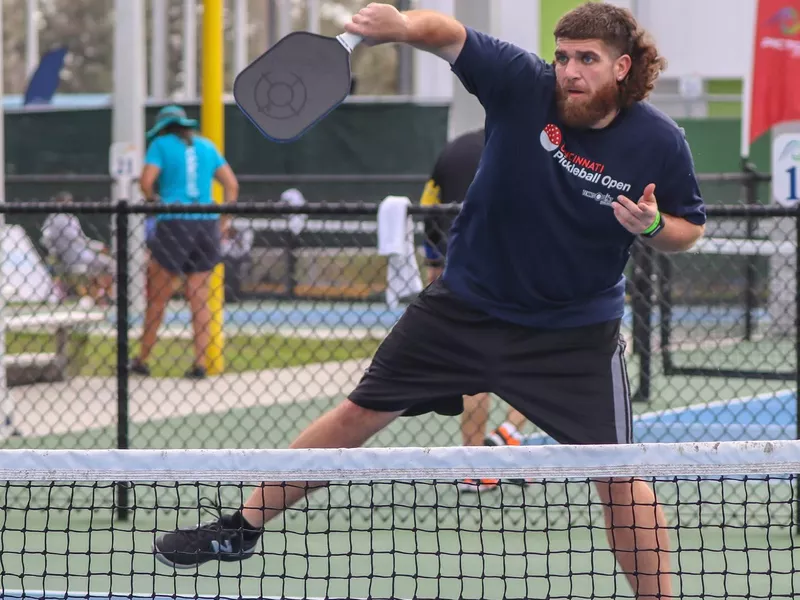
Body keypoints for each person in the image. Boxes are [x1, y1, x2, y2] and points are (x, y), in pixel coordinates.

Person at [154, 4, 706, 598]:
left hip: (572, 334)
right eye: (563, 55)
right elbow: (449, 33)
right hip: (462, 309)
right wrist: (399, 26)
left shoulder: (660, 142)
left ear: (622, 67)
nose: (569, 69)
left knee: (620, 476)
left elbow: (688, 228)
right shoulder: (523, 84)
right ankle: (241, 528)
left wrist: (652, 226)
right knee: (357, 413)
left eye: (587, 59)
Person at [420, 128, 528, 493]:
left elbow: (428, 209)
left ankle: (490, 450)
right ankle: (487, 453)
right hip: (516, 272)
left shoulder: (452, 150)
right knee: (533, 359)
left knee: (478, 366)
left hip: (461, 272)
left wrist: (433, 265)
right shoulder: (531, 143)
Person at [130, 105, 239, 379]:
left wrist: (155, 201)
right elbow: (232, 186)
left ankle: (142, 359)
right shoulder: (207, 146)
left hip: (175, 222)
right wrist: (223, 220)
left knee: (158, 296)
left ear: (162, 128)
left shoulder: (160, 145)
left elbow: (146, 181)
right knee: (199, 298)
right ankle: (200, 363)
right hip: (206, 223)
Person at [41, 191, 114, 305]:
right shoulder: (64, 219)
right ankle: (106, 295)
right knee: (111, 264)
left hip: (69, 257)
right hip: (77, 256)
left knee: (100, 267)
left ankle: (98, 295)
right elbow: (79, 240)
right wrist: (100, 246)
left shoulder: (52, 220)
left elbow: (46, 241)